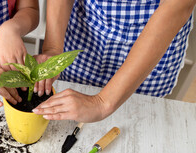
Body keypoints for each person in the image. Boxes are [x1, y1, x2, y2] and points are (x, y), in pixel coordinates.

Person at [32, 0, 196, 122]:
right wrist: (52, 48)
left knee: (134, 121)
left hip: (149, 47)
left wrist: (102, 103)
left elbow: (178, 5)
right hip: (87, 30)